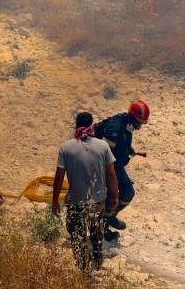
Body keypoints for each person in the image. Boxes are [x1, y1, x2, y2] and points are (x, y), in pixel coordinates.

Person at [52, 112, 119, 273]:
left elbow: (59, 176)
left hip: (75, 203)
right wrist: (115, 196)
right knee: (96, 237)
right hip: (97, 202)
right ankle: (96, 266)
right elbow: (111, 174)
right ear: (91, 126)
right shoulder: (102, 146)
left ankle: (83, 269)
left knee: (78, 237)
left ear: (76, 125)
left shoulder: (65, 147)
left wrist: (55, 200)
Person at [94, 100, 150, 241]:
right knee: (125, 192)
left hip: (114, 164)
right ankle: (107, 218)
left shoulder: (127, 125)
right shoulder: (115, 126)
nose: (139, 127)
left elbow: (122, 142)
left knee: (124, 193)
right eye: (139, 123)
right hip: (106, 165)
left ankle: (105, 222)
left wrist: (128, 150)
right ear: (133, 118)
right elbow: (105, 150)